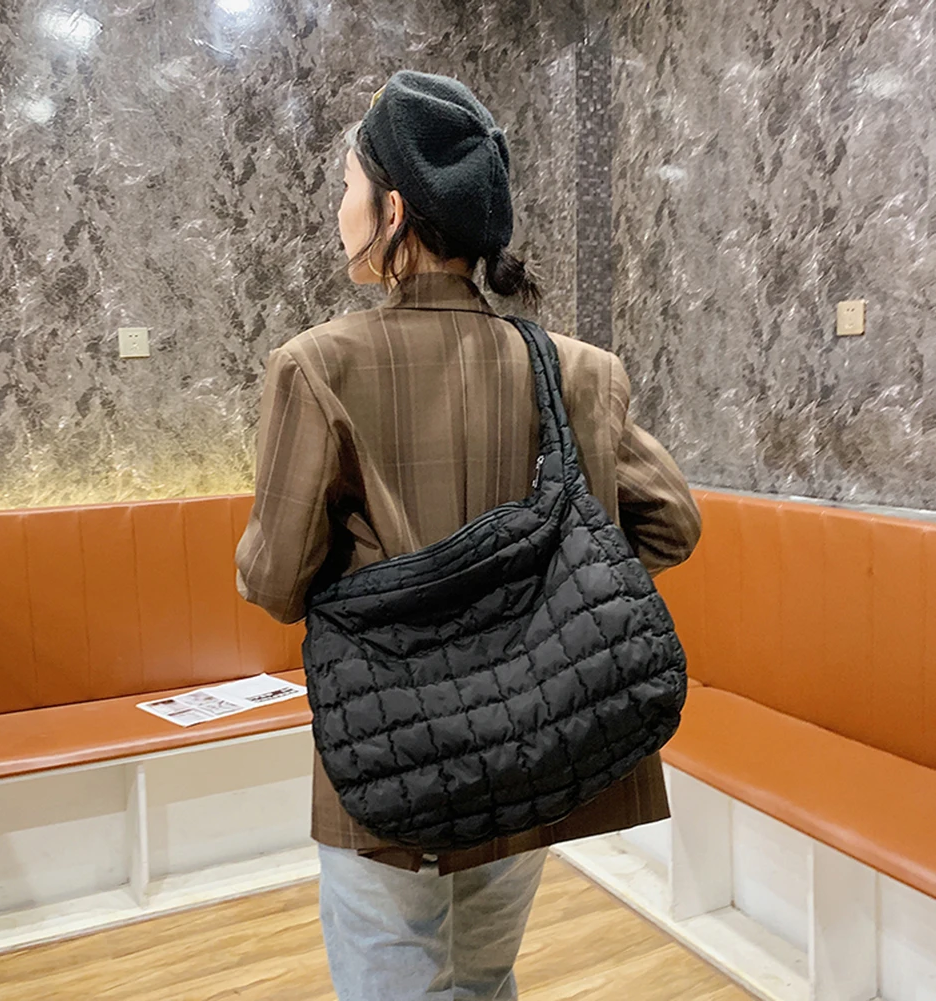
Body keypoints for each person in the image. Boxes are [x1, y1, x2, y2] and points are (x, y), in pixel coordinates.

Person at [236, 70, 701, 1001]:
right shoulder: (576, 368)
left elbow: (276, 581)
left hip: (390, 753)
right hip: (534, 737)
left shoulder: (316, 366)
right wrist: (537, 593)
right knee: (484, 977)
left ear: (393, 210)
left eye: (346, 186)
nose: (338, 209)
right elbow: (671, 522)